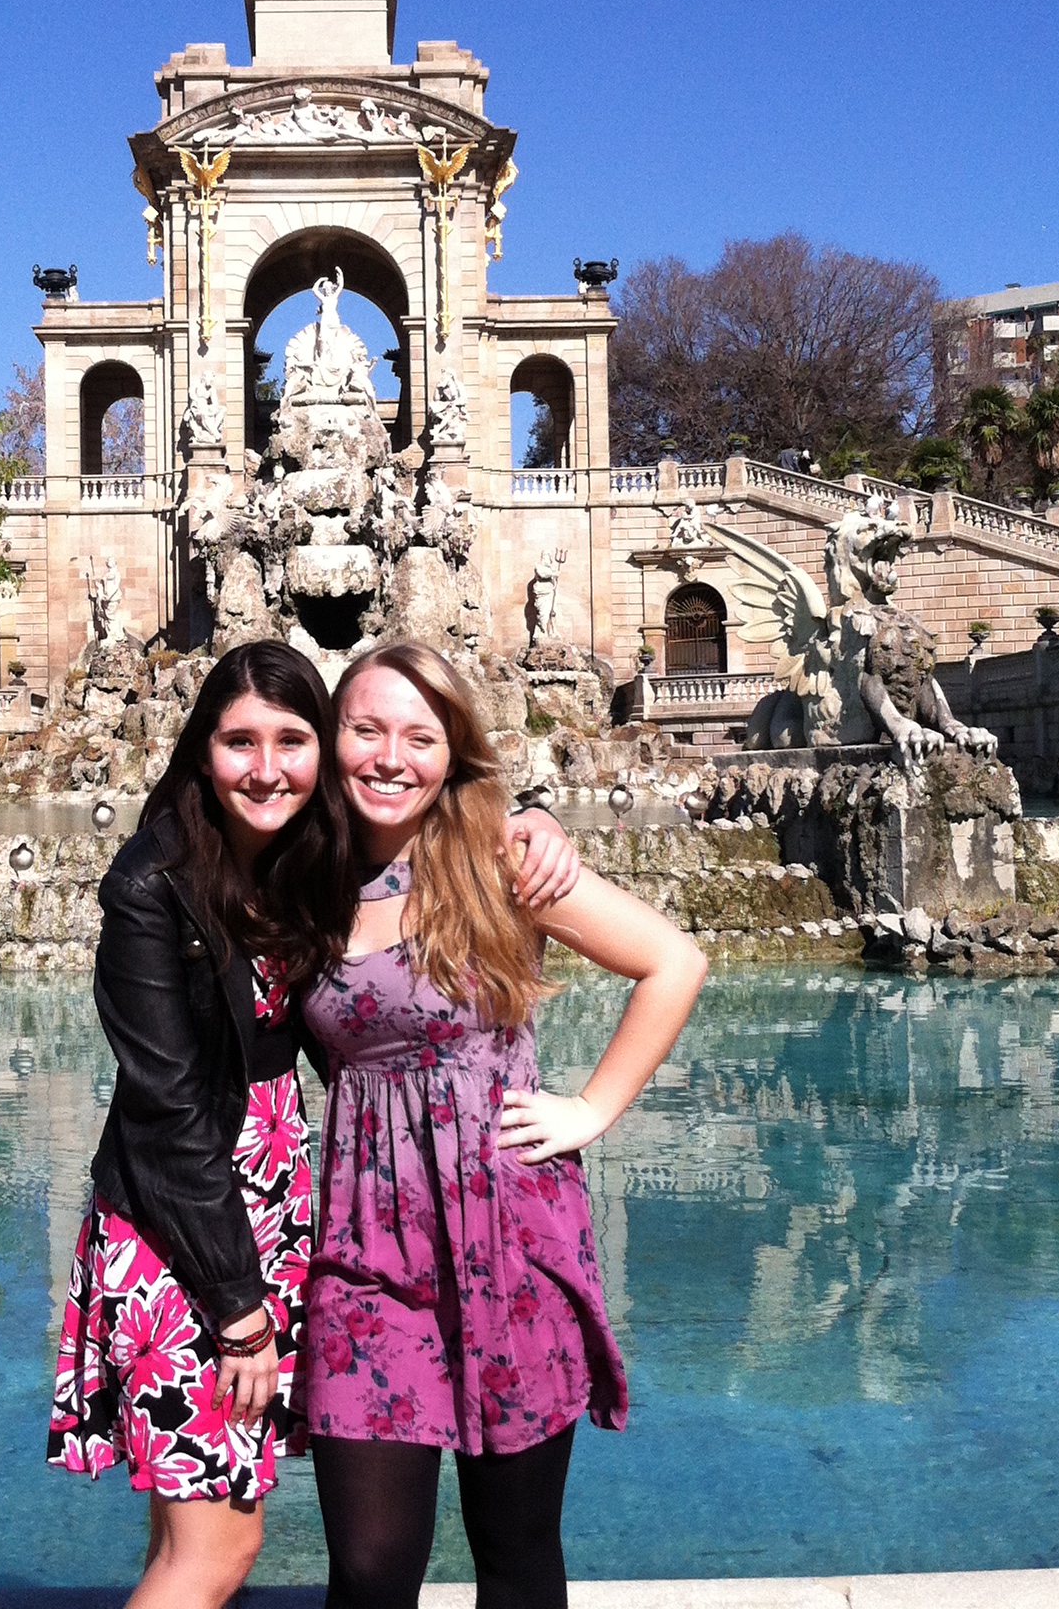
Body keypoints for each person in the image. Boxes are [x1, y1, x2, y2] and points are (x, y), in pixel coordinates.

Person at [48, 640, 579, 1609]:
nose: (266, 766)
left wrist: (529, 814)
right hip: (188, 1233)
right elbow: (169, 1112)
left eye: (290, 739)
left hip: (277, 1218)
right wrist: (238, 1306)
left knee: (195, 1538)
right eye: (238, 740)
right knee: (209, 1554)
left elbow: (427, 787)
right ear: (199, 748)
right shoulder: (151, 884)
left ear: (319, 753)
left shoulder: (297, 856)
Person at [299, 642, 708, 1609]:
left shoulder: (501, 860)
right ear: (332, 742)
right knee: (365, 1570)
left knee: (516, 1559)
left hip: (508, 1238)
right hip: (365, 1252)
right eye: (365, 730)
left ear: (453, 754)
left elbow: (672, 962)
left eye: (419, 736)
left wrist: (592, 1109)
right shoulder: (300, 879)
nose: (390, 757)